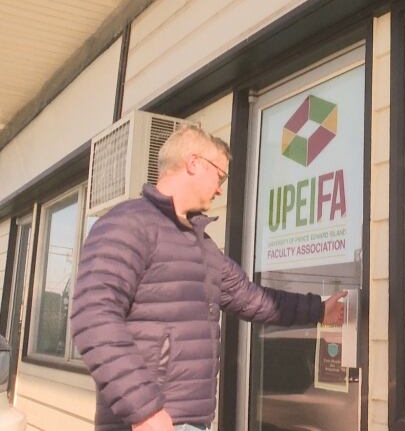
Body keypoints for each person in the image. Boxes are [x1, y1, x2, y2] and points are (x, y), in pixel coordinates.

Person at [71, 125, 345, 431]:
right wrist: (144, 410)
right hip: (148, 422)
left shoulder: (199, 244)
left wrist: (320, 310)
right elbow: (93, 319)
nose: (219, 189)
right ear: (193, 163)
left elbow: (249, 297)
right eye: (220, 176)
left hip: (188, 421)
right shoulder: (128, 224)